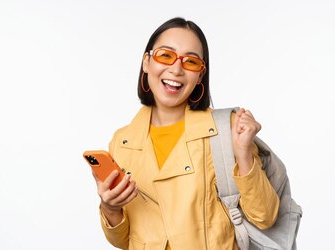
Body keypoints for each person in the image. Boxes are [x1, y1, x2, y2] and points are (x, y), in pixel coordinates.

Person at [92, 17, 280, 249]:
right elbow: (123, 241)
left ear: (200, 75)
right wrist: (110, 207)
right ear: (146, 62)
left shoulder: (225, 130)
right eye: (166, 55)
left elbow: (265, 217)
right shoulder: (122, 142)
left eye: (191, 61)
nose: (177, 69)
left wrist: (242, 153)